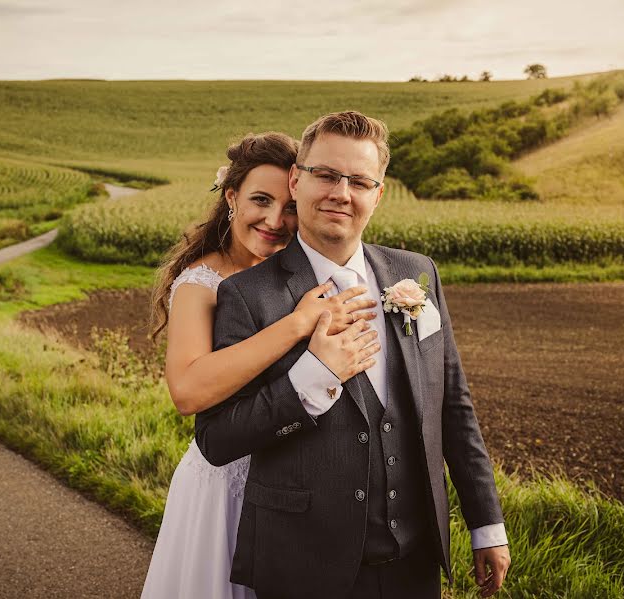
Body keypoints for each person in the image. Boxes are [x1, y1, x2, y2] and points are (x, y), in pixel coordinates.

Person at [195, 112, 511, 599]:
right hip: (302, 567)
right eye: (326, 175)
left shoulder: (417, 273)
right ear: (297, 181)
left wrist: (486, 524)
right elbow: (217, 439)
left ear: (378, 194)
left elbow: (453, 406)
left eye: (359, 181)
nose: (341, 193)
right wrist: (312, 378)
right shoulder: (246, 295)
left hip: (415, 562)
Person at [141, 131, 381, 599]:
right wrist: (295, 326)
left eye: (288, 205)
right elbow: (187, 392)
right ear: (231, 197)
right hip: (228, 481)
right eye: (259, 200)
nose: (275, 220)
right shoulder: (201, 283)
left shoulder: (306, 274)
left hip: (297, 478)